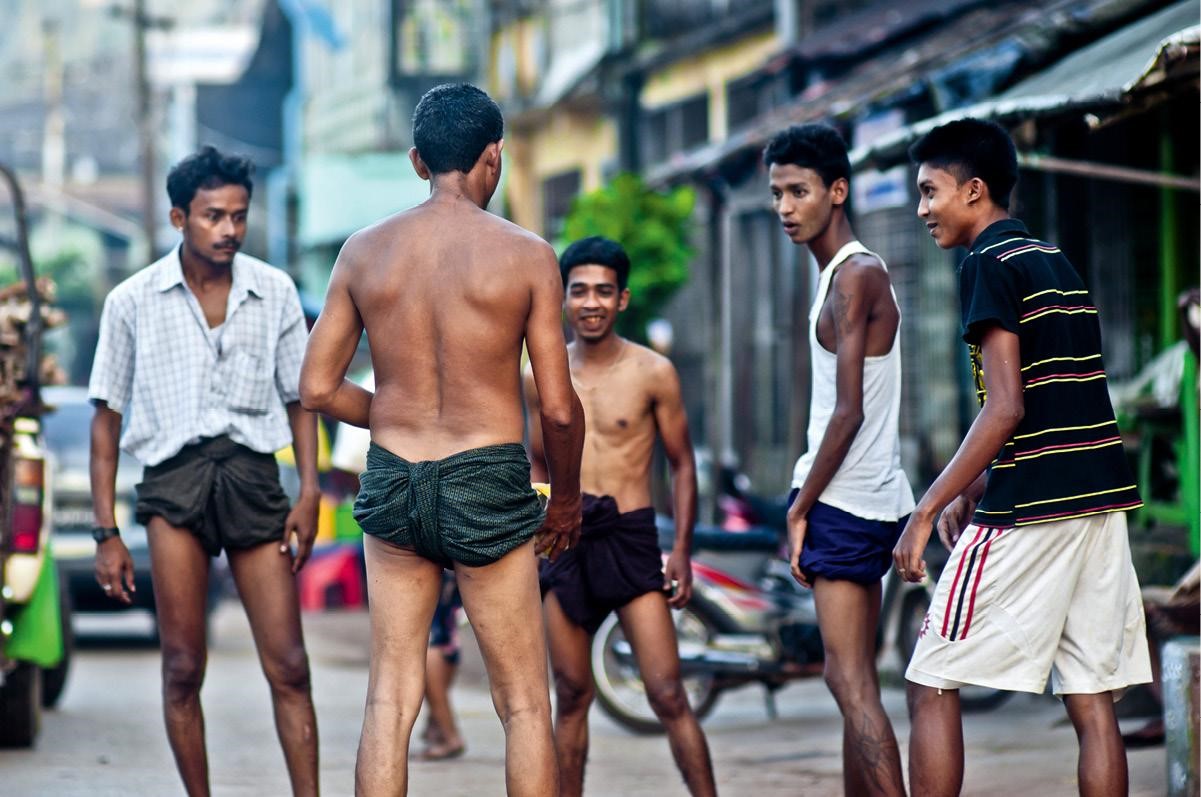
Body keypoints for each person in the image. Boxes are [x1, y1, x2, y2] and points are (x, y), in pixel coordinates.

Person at [298, 82, 584, 797]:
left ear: (417, 160)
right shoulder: (526, 255)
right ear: (494, 158)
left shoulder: (364, 253)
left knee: (389, 700)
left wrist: (394, 414)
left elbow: (316, 387)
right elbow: (556, 407)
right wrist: (567, 501)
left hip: (394, 473)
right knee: (522, 703)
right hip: (485, 475)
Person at [894, 117, 1152, 797]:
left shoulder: (984, 262)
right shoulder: (1051, 258)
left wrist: (924, 509)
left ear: (973, 190)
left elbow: (1004, 404)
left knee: (929, 677)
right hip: (1098, 499)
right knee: (1093, 701)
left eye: (929, 192)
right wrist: (968, 479)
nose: (921, 210)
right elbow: (1040, 394)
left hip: (1032, 503)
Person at [89, 146, 321, 796]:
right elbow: (106, 420)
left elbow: (299, 400)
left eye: (238, 216)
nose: (228, 230)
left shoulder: (273, 291)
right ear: (177, 216)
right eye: (212, 215)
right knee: (183, 666)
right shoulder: (131, 300)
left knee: (291, 664)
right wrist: (106, 531)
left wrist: (306, 491)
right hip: (172, 484)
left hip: (252, 479)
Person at [524, 236, 717, 797]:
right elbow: (537, 461)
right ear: (563, 298)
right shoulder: (542, 374)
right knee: (572, 693)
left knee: (666, 692)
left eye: (603, 292)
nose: (590, 303)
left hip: (631, 537)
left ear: (623, 299)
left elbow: (682, 466)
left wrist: (680, 549)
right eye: (579, 291)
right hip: (563, 537)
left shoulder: (654, 372)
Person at [764, 124, 913, 797]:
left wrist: (799, 507)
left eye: (798, 191)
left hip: (845, 501)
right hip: (868, 495)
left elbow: (846, 412)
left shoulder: (855, 275)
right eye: (776, 194)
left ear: (837, 190)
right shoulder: (837, 274)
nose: (785, 207)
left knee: (849, 682)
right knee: (847, 674)